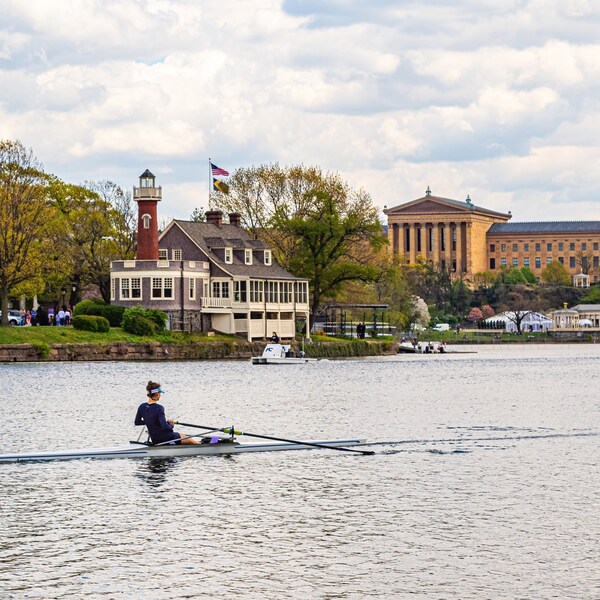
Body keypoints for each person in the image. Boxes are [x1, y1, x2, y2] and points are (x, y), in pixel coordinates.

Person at [135, 381, 200, 445]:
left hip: (155, 440)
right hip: (167, 439)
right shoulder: (159, 408)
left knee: (182, 435)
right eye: (160, 393)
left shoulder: (142, 406)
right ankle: (201, 445)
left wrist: (152, 421)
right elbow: (165, 428)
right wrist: (171, 425)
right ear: (157, 394)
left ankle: (199, 443)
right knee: (188, 439)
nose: (160, 396)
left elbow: (137, 422)